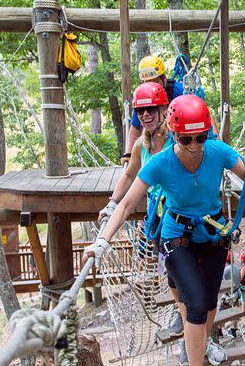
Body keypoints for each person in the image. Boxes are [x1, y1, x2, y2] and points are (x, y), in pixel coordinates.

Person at [84, 94, 245, 366]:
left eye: (201, 138)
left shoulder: (217, 151)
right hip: (176, 236)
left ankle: (200, 346)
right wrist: (103, 240)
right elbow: (126, 205)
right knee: (194, 305)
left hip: (213, 235)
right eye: (186, 139)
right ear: (174, 135)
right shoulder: (160, 163)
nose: (195, 146)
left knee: (208, 305)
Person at [97, 82, 184, 337]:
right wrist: (113, 202)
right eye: (141, 111)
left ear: (163, 109)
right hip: (156, 216)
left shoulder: (175, 138)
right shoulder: (140, 146)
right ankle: (184, 315)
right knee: (170, 270)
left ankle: (187, 317)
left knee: (181, 267)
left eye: (151, 109)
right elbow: (128, 176)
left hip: (179, 211)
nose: (145, 115)